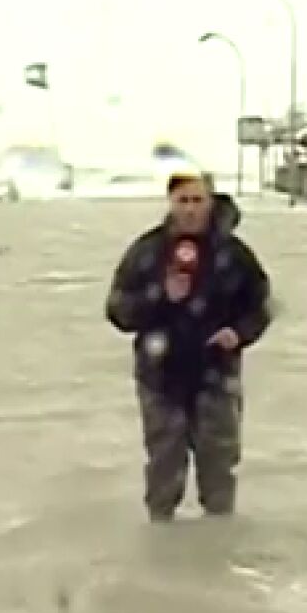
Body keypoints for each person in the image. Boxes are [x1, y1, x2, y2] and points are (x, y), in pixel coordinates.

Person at [105, 172, 272, 522]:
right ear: (170, 204)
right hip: (161, 376)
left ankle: (219, 541)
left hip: (217, 372)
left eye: (198, 200)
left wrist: (239, 333)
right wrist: (159, 296)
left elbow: (261, 306)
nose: (191, 209)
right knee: (164, 465)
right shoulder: (147, 252)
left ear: (211, 203)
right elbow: (118, 311)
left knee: (219, 466)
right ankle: (161, 539)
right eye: (183, 201)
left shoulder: (235, 255)